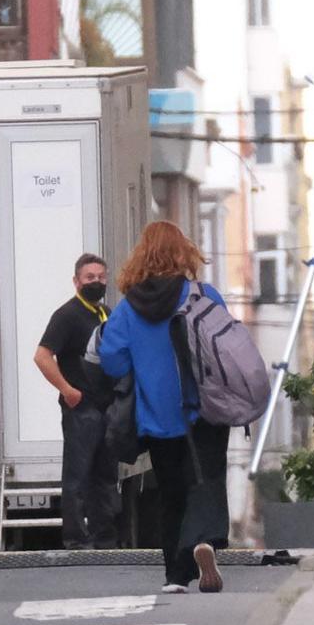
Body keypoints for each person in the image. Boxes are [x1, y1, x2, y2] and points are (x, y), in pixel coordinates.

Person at [96, 222, 231, 594]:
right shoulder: (203, 295)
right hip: (204, 410)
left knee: (171, 493)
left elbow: (112, 361)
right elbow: (227, 345)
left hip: (156, 418)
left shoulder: (126, 310)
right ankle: (204, 539)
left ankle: (175, 575)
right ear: (182, 252)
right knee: (206, 481)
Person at [34, 253, 118, 549]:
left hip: (108, 408)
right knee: (78, 476)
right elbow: (42, 356)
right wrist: (68, 390)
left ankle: (104, 537)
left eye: (100, 277)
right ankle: (75, 539)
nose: (95, 282)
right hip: (81, 409)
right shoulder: (67, 315)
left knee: (106, 476)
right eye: (89, 278)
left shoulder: (106, 313)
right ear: (76, 281)